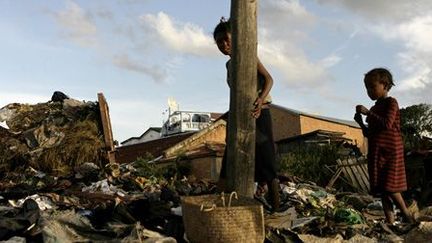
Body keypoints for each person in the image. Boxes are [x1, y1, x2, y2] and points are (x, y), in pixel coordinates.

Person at [213, 17, 280, 211]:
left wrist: (260, 100)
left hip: (260, 114)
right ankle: (218, 209)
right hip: (240, 116)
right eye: (219, 43)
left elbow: (269, 79)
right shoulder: (228, 66)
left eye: (226, 40)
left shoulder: (249, 56)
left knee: (267, 162)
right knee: (229, 160)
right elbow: (238, 94)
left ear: (236, 38)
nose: (224, 45)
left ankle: (276, 210)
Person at [354, 68, 414, 224]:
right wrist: (360, 122)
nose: (369, 91)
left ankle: (407, 216)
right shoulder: (374, 109)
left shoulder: (391, 103)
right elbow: (369, 134)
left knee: (391, 187)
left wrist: (368, 114)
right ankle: (390, 222)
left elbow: (387, 124)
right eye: (367, 88)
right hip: (376, 151)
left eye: (372, 87)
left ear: (385, 85)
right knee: (382, 190)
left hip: (391, 151)